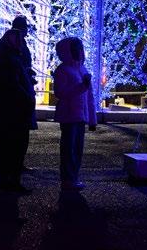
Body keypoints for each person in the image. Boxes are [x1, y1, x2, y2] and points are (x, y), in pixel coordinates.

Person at [0, 16, 36, 193]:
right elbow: (11, 81)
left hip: (11, 103)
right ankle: (10, 177)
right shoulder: (10, 56)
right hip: (15, 104)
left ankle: (7, 173)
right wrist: (26, 94)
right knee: (14, 141)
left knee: (10, 140)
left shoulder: (7, 52)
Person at [53, 36, 96, 191]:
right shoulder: (62, 70)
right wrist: (81, 86)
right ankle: (67, 179)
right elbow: (60, 93)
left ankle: (73, 177)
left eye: (80, 48)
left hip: (80, 116)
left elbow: (89, 97)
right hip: (69, 115)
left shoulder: (83, 69)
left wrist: (92, 119)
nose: (79, 51)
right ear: (68, 51)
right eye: (76, 48)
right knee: (68, 149)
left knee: (77, 149)